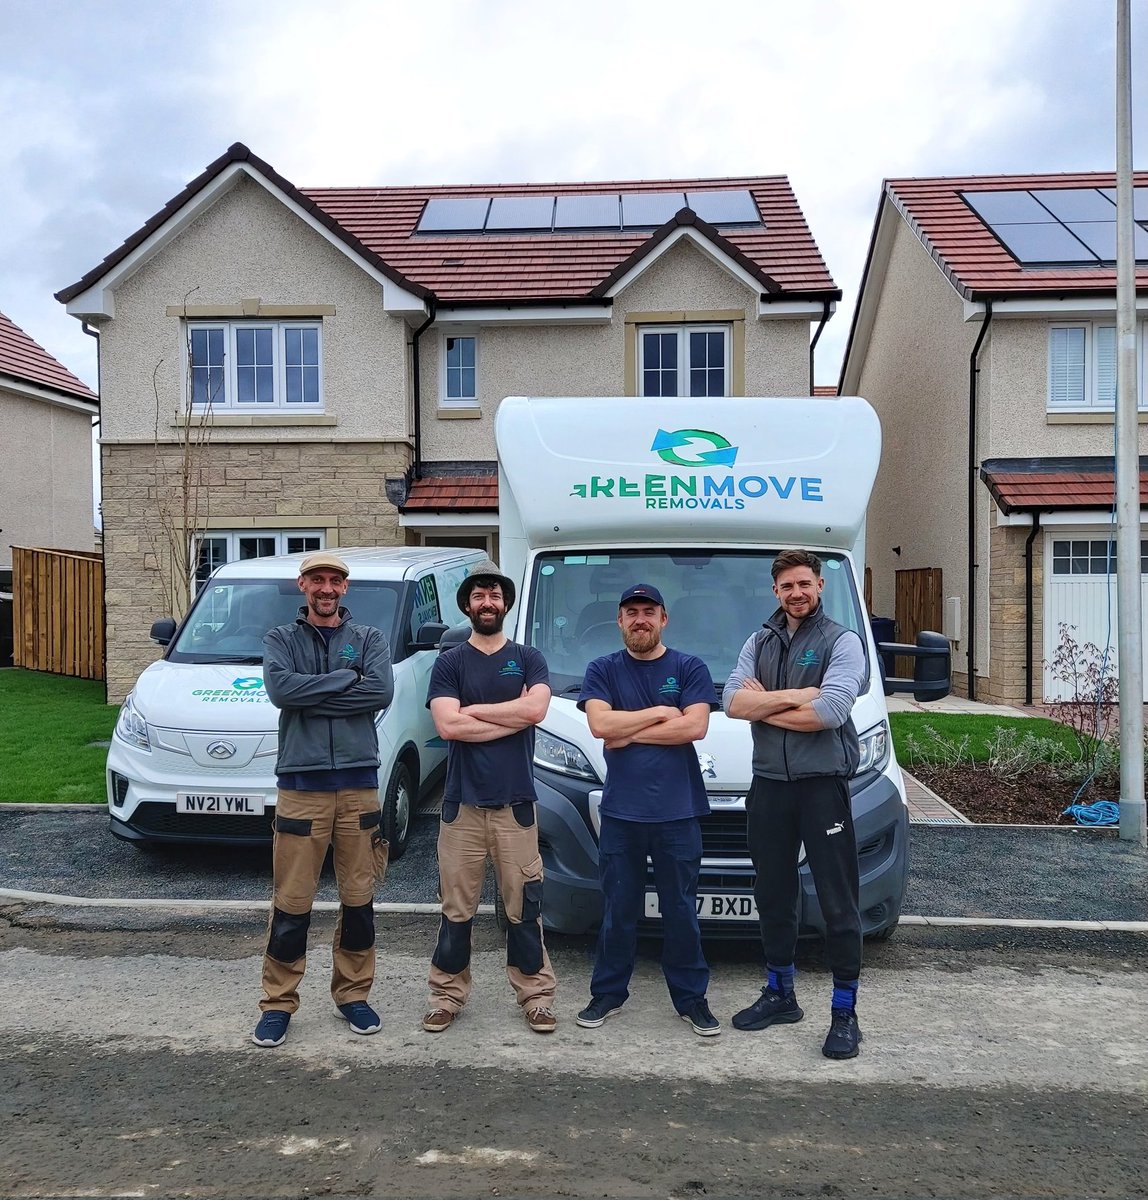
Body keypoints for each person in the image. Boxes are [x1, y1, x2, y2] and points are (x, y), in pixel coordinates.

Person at [722, 549, 868, 1059]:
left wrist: (768, 704)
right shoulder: (758, 640)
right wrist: (796, 697)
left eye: (804, 583)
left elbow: (831, 710)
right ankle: (781, 993)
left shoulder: (842, 641)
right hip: (769, 786)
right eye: (787, 586)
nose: (796, 593)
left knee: (836, 901)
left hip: (821, 785)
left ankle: (845, 1013)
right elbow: (731, 702)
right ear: (775, 591)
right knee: (773, 894)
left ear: (820, 586)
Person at [252, 551, 394, 1048]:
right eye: (318, 580)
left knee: (359, 900)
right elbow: (282, 691)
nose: (326, 588)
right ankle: (277, 1003)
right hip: (301, 786)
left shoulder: (369, 639)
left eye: (335, 580)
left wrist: (314, 693)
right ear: (303, 586)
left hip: (359, 785)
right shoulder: (280, 639)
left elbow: (380, 692)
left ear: (345, 588)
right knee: (292, 903)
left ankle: (353, 995)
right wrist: (344, 680)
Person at [575, 583, 720, 1037]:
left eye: (649, 612)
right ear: (619, 621)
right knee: (619, 909)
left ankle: (692, 1000)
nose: (640, 619)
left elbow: (694, 727)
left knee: (681, 909)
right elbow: (600, 724)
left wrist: (627, 730)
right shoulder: (603, 669)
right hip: (623, 813)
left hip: (678, 812)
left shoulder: (689, 666)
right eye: (631, 612)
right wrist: (662, 711)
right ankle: (608, 994)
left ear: (663, 619)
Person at [422, 560, 558, 1034]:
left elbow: (536, 709)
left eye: (495, 595)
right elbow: (447, 724)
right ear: (467, 604)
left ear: (506, 604)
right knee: (456, 910)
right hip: (461, 807)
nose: (487, 602)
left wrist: (475, 710)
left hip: (515, 806)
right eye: (479, 595)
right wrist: (509, 713)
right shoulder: (451, 661)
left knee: (525, 908)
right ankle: (446, 996)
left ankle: (536, 997)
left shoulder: (528, 658)